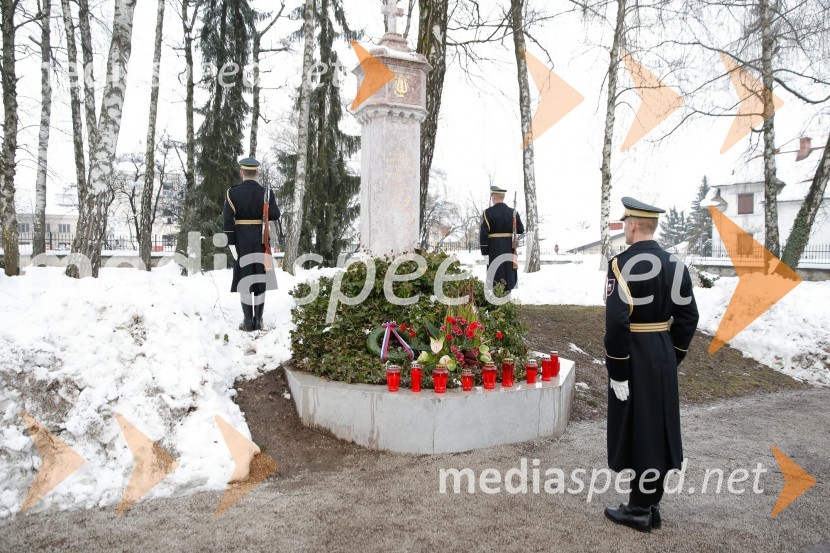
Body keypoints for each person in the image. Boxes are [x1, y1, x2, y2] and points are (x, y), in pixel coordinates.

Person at [603, 197, 699, 532]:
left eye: (624, 223)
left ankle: (639, 509)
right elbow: (689, 317)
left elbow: (617, 323)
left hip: (634, 354)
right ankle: (651, 502)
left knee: (640, 431)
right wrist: (672, 354)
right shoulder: (675, 264)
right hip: (661, 351)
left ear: (632, 224)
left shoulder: (620, 264)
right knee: (657, 429)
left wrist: (618, 369)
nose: (624, 228)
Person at [222, 157, 280, 331]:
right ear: (257, 172)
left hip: (240, 240)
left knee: (244, 278)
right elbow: (275, 215)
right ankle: (259, 320)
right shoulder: (266, 193)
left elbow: (227, 220)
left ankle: (248, 322)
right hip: (261, 239)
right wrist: (268, 203)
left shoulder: (232, 193)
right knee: (260, 280)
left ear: (241, 172)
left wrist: (231, 244)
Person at [479, 185, 524, 291]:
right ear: (502, 197)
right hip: (509, 246)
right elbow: (521, 229)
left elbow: (484, 234)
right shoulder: (513, 212)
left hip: (494, 248)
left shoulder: (487, 213)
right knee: (508, 271)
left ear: (494, 197)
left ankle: (496, 295)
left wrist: (485, 252)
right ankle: (507, 295)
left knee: (496, 272)